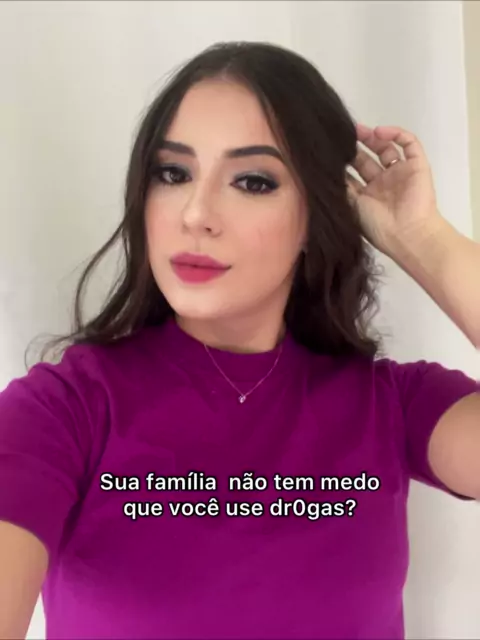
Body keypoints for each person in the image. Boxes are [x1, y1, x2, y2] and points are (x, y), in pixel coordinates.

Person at [0, 40, 479, 640]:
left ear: (316, 216)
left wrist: (422, 236)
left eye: (252, 181)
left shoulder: (392, 405)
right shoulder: (60, 411)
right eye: (173, 174)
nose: (195, 213)